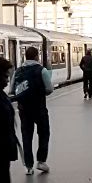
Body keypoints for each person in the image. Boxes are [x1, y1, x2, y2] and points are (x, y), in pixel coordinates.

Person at [11, 47, 53, 175]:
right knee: (44, 133)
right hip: (39, 108)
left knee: (26, 136)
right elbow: (49, 89)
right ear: (36, 56)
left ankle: (29, 166)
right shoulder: (42, 70)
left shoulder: (18, 71)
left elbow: (12, 91)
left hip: (24, 109)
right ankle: (41, 161)